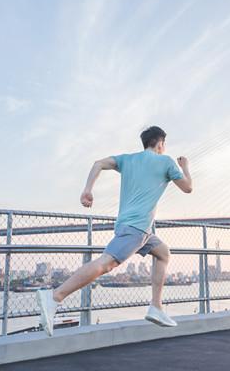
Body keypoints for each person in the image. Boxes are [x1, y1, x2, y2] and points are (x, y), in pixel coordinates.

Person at [36, 126, 193, 336]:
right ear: (160, 143)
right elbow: (188, 187)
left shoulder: (128, 159)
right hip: (136, 229)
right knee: (106, 263)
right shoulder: (166, 161)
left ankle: (156, 307)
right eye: (164, 145)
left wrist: (87, 190)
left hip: (135, 229)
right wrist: (185, 167)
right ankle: (55, 296)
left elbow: (98, 163)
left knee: (163, 253)